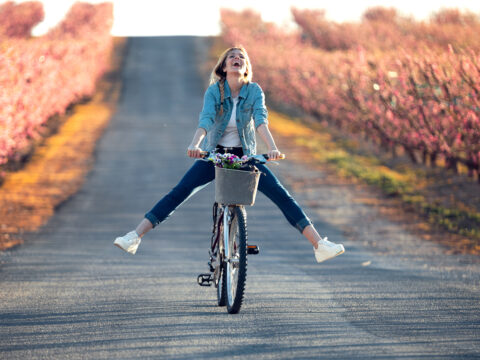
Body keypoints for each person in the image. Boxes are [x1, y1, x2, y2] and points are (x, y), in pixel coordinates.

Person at [114, 46, 345, 263]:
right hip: (216, 155)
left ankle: (319, 245)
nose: (237, 58)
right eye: (232, 56)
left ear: (246, 67)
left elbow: (261, 120)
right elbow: (205, 119)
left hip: (246, 157)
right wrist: (195, 144)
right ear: (224, 66)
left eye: (241, 57)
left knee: (282, 195)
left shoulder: (254, 91)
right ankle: (134, 237)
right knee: (180, 191)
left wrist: (272, 148)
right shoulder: (215, 91)